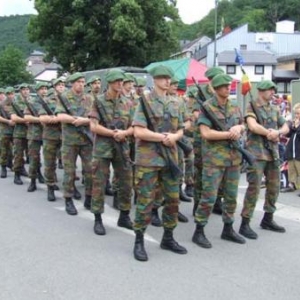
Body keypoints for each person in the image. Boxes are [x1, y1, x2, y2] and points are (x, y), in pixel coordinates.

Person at [132, 65, 187, 261]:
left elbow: (181, 129)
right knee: (145, 201)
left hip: (170, 158)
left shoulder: (176, 103)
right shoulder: (144, 101)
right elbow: (138, 131)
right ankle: (139, 240)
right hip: (149, 159)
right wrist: (162, 137)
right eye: (162, 78)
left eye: (168, 78)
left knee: (172, 200)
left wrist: (175, 137)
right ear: (154, 79)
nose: (166, 81)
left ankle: (168, 237)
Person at [192, 73, 246, 249]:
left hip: (233, 159)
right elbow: (205, 133)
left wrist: (238, 128)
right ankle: (199, 231)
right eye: (223, 86)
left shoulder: (234, 106)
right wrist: (227, 134)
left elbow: (242, 125)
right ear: (215, 89)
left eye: (228, 85)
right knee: (209, 196)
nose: (227, 88)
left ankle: (228, 228)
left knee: (231, 197)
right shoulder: (207, 107)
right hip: (214, 160)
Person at [239, 80, 289, 239]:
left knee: (274, 187)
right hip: (257, 153)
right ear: (261, 91)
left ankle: (268, 218)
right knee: (254, 188)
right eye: (270, 90)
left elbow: (286, 126)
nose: (273, 92)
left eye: (273, 90)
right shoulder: (251, 106)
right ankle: (245, 223)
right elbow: (252, 126)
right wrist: (270, 133)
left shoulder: (274, 109)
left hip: (272, 153)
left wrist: (278, 132)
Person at [89, 69, 134, 235]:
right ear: (109, 82)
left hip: (122, 146)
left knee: (126, 182)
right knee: (99, 182)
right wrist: (112, 134)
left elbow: (134, 126)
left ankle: (124, 215)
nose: (119, 83)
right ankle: (98, 218)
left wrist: (124, 134)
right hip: (103, 147)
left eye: (121, 81)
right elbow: (93, 126)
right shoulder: (98, 101)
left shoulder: (128, 102)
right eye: (116, 81)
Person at [55, 72, 93, 216]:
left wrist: (85, 121)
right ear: (72, 83)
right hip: (70, 141)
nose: (81, 84)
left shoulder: (89, 98)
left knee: (90, 171)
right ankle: (68, 199)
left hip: (86, 141)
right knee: (69, 172)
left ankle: (89, 197)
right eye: (78, 82)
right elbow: (60, 116)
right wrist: (75, 119)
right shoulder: (64, 97)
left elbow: (94, 117)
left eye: (83, 82)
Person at [38, 78, 64, 201]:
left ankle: (71, 187)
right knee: (50, 163)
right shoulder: (47, 101)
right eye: (58, 85)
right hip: (50, 136)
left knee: (69, 165)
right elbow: (42, 118)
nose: (61, 87)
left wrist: (59, 118)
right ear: (54, 87)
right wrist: (58, 119)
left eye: (63, 85)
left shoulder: (67, 100)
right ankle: (50, 186)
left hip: (66, 136)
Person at [24, 82, 46, 192]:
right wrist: (41, 119)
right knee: (34, 158)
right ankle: (33, 181)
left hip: (48, 133)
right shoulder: (31, 102)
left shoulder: (50, 100)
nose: (44, 91)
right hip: (34, 133)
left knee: (49, 159)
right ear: (37, 91)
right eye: (41, 89)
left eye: (45, 88)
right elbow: (27, 117)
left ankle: (46, 178)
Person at [10, 83, 30, 185]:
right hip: (19, 133)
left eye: (27, 89)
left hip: (31, 133)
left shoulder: (32, 101)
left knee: (33, 155)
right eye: (24, 90)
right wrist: (25, 120)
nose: (26, 91)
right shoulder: (15, 102)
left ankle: (36, 174)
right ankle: (17, 174)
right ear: (20, 91)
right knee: (18, 155)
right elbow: (14, 118)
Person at [280, 103, 300, 194]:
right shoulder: (294, 123)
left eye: (298, 113)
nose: (297, 115)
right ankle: (292, 184)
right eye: (296, 113)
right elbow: (289, 134)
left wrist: (296, 127)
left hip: (298, 152)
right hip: (292, 151)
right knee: (291, 169)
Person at [0, 87, 14, 178]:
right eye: (8, 94)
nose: (10, 95)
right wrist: (8, 121)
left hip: (15, 129)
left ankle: (14, 165)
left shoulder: (15, 103)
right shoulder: (1, 104)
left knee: (16, 150)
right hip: (4, 129)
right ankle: (3, 167)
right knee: (4, 150)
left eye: (11, 93)